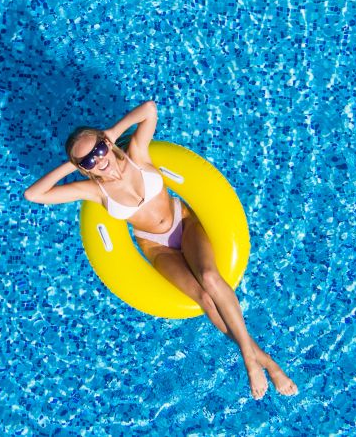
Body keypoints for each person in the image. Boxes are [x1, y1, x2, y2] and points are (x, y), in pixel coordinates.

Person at [24, 101, 298, 400]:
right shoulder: (94, 191)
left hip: (184, 223)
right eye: (88, 161)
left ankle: (250, 359)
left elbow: (150, 109)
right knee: (205, 300)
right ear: (83, 168)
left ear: (107, 143)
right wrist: (74, 164)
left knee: (209, 276)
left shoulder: (138, 155)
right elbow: (34, 194)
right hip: (156, 246)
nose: (98, 161)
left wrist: (113, 133)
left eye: (99, 151)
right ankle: (266, 362)